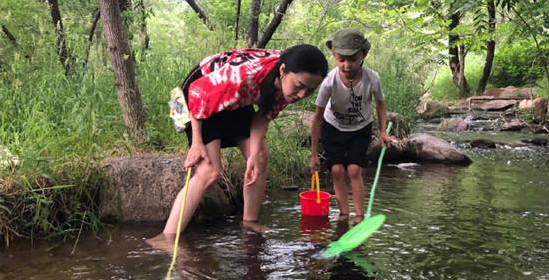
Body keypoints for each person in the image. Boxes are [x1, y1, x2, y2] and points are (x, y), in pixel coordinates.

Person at [164, 45, 328, 235]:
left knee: (259, 158)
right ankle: (167, 237)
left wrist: (255, 153)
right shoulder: (243, 76)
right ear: (283, 70)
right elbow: (196, 93)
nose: (302, 95)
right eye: (299, 86)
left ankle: (249, 222)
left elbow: (263, 117)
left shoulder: (286, 87)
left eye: (310, 91)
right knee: (209, 170)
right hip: (200, 97)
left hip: (236, 99)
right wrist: (197, 142)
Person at [309, 28, 392, 224]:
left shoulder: (373, 79)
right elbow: (317, 118)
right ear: (334, 56)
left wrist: (382, 131)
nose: (347, 65)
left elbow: (380, 104)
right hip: (333, 127)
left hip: (360, 128)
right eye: (341, 59)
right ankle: (344, 213)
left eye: (353, 59)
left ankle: (360, 215)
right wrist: (313, 155)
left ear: (363, 55)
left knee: (354, 169)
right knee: (337, 170)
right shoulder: (329, 82)